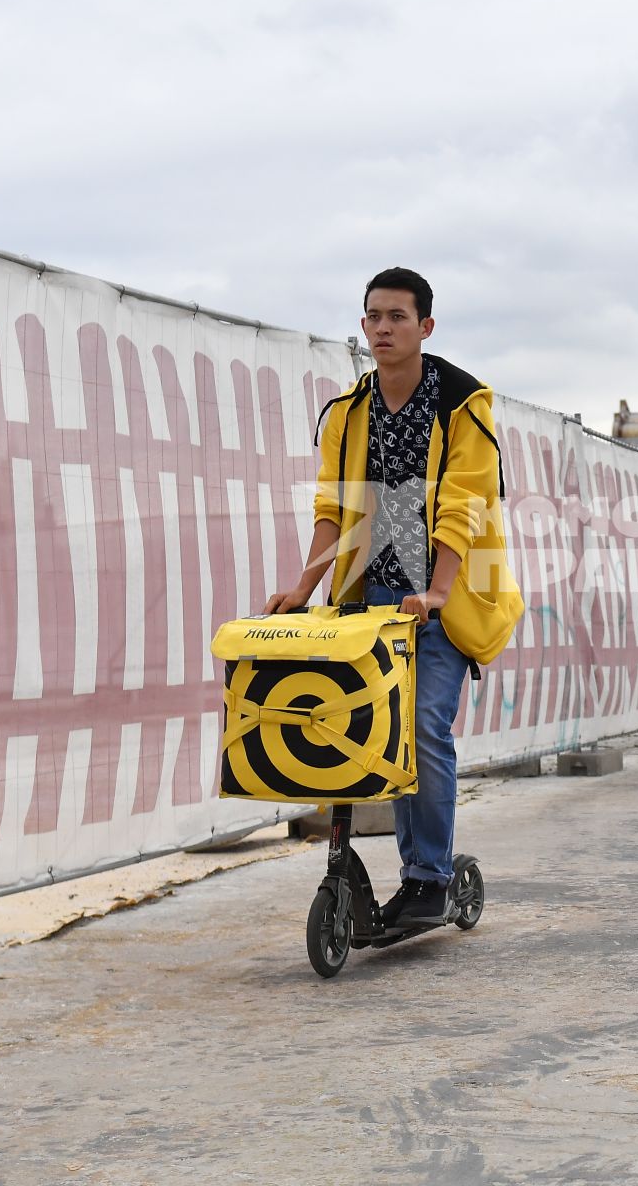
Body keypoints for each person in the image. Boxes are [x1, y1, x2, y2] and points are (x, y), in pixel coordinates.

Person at [265, 266, 523, 929]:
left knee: (424, 728)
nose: (382, 327)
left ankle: (429, 879)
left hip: (444, 596)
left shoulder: (465, 401)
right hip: (375, 596)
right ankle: (381, 873)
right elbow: (335, 506)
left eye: (397, 317)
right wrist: (302, 587)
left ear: (425, 327)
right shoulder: (348, 412)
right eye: (372, 316)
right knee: (365, 730)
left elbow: (464, 502)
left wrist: (437, 590)